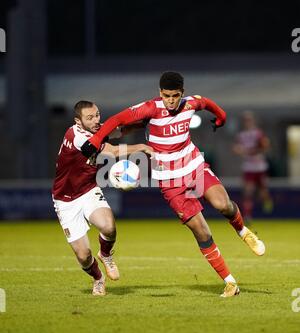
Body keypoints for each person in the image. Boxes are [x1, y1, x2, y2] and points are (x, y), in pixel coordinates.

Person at [81, 72, 266, 298]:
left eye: (175, 96)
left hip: (194, 166)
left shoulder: (190, 104)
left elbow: (207, 103)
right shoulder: (150, 108)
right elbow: (117, 120)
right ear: (160, 93)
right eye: (166, 95)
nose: (170, 100)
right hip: (169, 180)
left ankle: (243, 231)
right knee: (201, 230)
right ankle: (230, 283)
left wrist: (222, 119)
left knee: (223, 204)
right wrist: (95, 141)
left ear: (182, 93)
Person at [52, 100, 153, 296]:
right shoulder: (77, 136)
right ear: (78, 121)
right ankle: (98, 278)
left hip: (88, 190)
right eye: (90, 118)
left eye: (97, 115)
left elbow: (118, 132)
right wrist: (142, 146)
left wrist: (141, 124)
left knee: (109, 226)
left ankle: (105, 254)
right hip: (65, 200)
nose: (96, 120)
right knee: (83, 256)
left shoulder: (96, 130)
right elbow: (113, 151)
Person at [232, 111, 273, 224]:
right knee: (248, 192)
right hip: (249, 167)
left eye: (249, 120)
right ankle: (247, 215)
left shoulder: (258, 133)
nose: (247, 122)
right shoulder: (241, 135)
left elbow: (265, 145)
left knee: (263, 192)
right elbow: (235, 148)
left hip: (260, 166)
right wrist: (238, 150)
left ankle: (267, 200)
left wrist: (252, 151)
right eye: (246, 120)